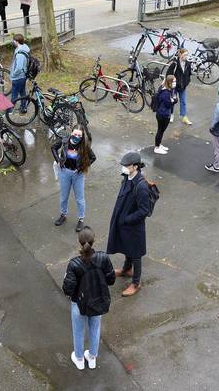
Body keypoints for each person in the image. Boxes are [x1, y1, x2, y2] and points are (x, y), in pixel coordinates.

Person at [62, 226, 115, 371]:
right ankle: (92, 358)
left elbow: (67, 289)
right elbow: (111, 280)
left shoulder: (74, 264)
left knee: (78, 331)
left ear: (79, 242)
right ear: (94, 240)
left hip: (79, 304)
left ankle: (79, 359)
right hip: (97, 300)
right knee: (95, 328)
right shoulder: (103, 258)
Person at [106, 151, 151, 297]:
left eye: (126, 165)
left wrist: (127, 219)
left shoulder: (142, 186)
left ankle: (136, 283)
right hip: (123, 223)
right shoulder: (127, 177)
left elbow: (144, 210)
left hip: (133, 226)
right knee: (126, 246)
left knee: (136, 253)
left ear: (135, 166)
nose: (123, 168)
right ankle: (126, 269)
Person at [52, 125, 97, 232]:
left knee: (79, 199)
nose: (76, 136)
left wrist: (82, 167)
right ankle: (63, 214)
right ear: (71, 133)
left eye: (79, 135)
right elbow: (53, 147)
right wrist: (58, 160)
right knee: (63, 196)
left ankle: (81, 219)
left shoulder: (84, 145)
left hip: (78, 175)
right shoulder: (65, 141)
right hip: (65, 172)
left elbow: (93, 157)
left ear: (82, 136)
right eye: (75, 134)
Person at [166, 48, 193, 125]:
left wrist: (187, 82)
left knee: (183, 102)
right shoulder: (175, 63)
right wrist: (172, 83)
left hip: (183, 86)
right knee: (173, 101)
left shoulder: (188, 64)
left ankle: (183, 117)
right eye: (185, 55)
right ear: (180, 55)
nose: (186, 57)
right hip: (174, 86)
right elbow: (168, 74)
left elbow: (189, 74)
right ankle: (171, 115)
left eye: (187, 55)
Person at [153, 74, 178, 154]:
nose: (175, 83)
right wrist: (174, 101)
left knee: (161, 131)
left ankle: (159, 144)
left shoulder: (163, 88)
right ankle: (156, 147)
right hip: (163, 115)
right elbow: (168, 104)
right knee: (160, 131)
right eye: (174, 81)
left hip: (161, 113)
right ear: (170, 82)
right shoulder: (166, 93)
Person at [9, 34, 30, 114]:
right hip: (23, 76)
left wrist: (13, 75)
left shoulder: (20, 53)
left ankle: (10, 110)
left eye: (14, 40)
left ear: (17, 42)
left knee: (14, 94)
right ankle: (23, 107)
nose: (13, 42)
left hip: (18, 77)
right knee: (22, 92)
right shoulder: (23, 48)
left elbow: (19, 67)